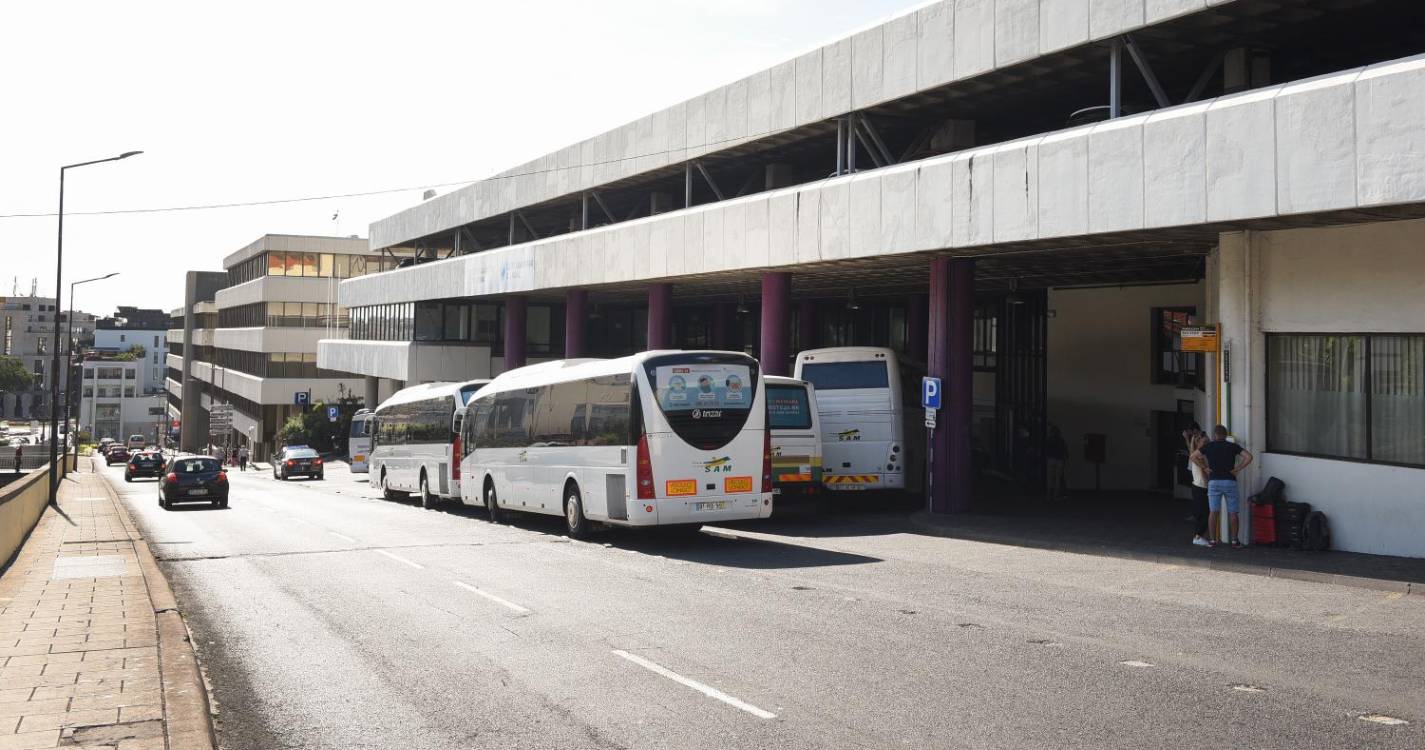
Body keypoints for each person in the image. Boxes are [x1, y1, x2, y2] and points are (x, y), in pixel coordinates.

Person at [1191, 425, 1254, 548]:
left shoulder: (1208, 446)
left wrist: (1205, 468)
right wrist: (1237, 469)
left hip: (1214, 482)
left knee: (1213, 512)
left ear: (1215, 435)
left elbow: (1193, 456)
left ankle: (1213, 540)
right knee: (1233, 512)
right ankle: (1235, 541)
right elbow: (1249, 457)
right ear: (1225, 435)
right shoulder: (1232, 446)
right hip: (1230, 481)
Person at [1183, 427, 1210, 547]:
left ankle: (1198, 536)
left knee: (1201, 513)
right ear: (1199, 443)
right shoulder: (1199, 456)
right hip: (1201, 487)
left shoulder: (1196, 453)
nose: (1207, 444)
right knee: (1205, 513)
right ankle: (1198, 536)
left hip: (1198, 486)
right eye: (1205, 442)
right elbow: (1206, 473)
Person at [1043, 425, 1068, 501]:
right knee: (1057, 478)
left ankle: (1048, 495)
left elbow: (1046, 449)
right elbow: (1065, 450)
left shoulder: (1049, 439)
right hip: (1059, 459)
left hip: (1051, 459)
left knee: (1050, 478)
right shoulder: (1061, 440)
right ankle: (1055, 495)